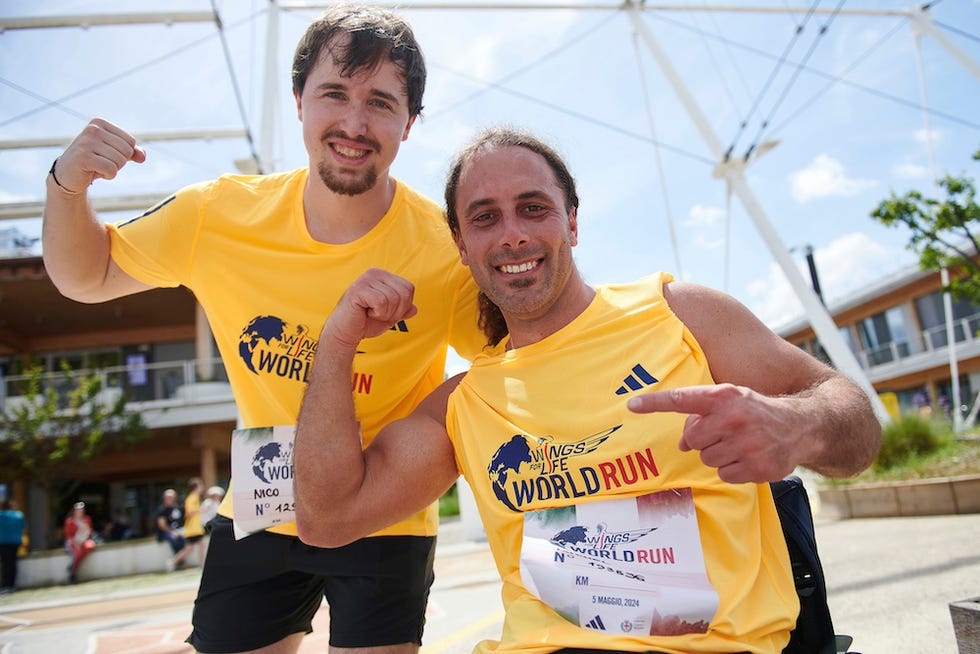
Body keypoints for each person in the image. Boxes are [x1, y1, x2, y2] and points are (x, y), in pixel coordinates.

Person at [294, 127, 883, 654]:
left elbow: (857, 425)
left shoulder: (680, 316)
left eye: (533, 208)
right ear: (461, 245)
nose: (513, 235)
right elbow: (327, 518)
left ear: (571, 222)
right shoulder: (464, 406)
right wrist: (339, 340)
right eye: (485, 217)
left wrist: (799, 424)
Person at [41, 4, 483, 652]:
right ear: (299, 99)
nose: (354, 124)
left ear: (410, 122)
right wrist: (67, 185)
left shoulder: (447, 253)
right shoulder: (218, 216)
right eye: (334, 93)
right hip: (264, 496)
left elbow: (517, 359)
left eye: (381, 103)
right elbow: (87, 276)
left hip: (382, 508)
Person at [156, 488, 190, 572]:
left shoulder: (178, 508)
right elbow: (162, 525)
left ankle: (178, 560)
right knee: (174, 539)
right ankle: (178, 561)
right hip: (167, 532)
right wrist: (173, 531)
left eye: (172, 497)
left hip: (180, 530)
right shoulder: (161, 510)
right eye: (168, 498)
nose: (171, 499)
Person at [63, 501, 97, 584]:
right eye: (78, 510)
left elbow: (90, 532)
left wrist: (87, 532)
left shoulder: (86, 519)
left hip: (83, 541)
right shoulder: (69, 521)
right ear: (74, 511)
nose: (80, 512)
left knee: (90, 546)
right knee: (78, 554)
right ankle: (72, 574)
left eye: (81, 510)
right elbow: (68, 536)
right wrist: (76, 544)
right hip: (73, 543)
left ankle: (72, 566)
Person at [0, 500, 26, 594]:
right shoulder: (18, 515)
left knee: (5, 564)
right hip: (15, 542)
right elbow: (23, 527)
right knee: (13, 564)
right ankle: (12, 586)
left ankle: (5, 586)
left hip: (3, 542)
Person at [181, 478, 206, 566]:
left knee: (191, 548)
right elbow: (189, 512)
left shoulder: (194, 497)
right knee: (195, 547)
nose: (202, 487)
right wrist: (201, 510)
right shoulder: (192, 498)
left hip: (195, 527)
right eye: (200, 486)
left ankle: (173, 562)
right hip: (193, 528)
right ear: (196, 487)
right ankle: (202, 564)